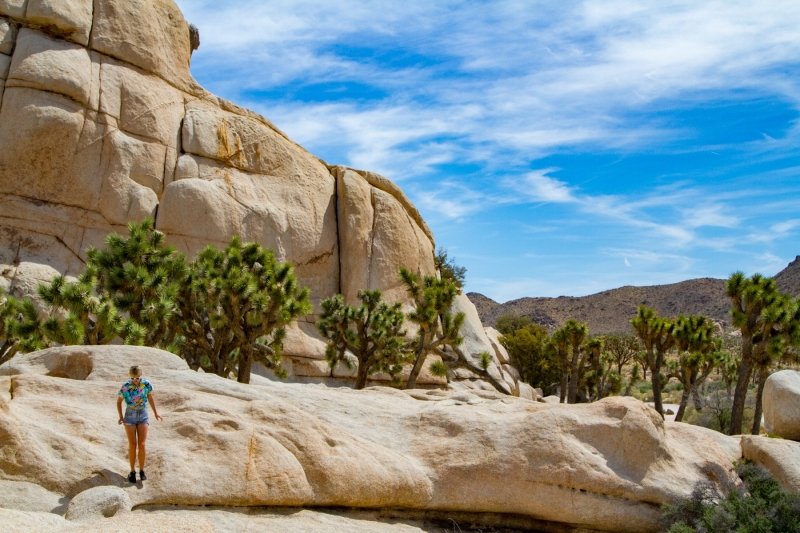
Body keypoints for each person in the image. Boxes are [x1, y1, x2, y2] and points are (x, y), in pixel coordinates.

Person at [116, 365, 162, 483]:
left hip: (143, 414)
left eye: (137, 377)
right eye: (132, 378)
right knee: (132, 445)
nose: (135, 380)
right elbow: (119, 401)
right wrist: (121, 416)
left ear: (140, 376)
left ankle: (141, 471)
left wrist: (156, 413)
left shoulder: (146, 384)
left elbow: (150, 397)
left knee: (142, 444)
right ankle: (132, 471)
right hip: (130, 415)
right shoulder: (125, 386)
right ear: (130, 376)